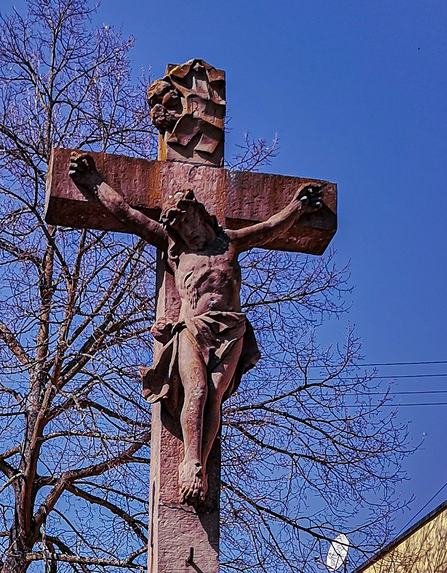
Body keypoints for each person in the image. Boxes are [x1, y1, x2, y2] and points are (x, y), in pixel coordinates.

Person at [68, 153, 323, 505]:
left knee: (215, 395)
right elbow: (128, 214)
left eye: (190, 223)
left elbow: (270, 228)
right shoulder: (177, 253)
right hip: (192, 329)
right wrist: (93, 181)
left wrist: (298, 207)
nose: (188, 232)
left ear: (201, 216)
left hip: (231, 329)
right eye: (180, 229)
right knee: (198, 392)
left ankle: (198, 463)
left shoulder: (231, 242)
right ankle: (189, 461)